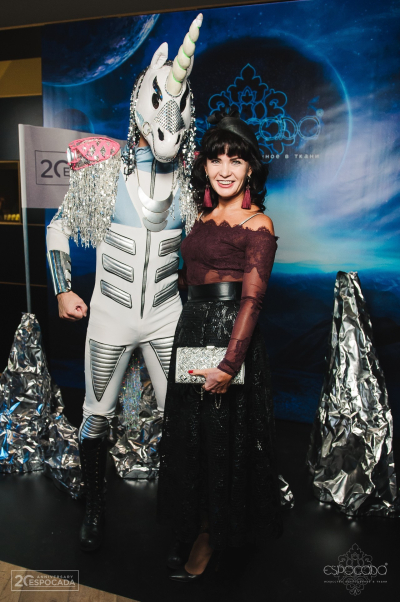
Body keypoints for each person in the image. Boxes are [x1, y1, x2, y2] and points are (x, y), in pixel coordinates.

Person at [46, 14, 203, 552]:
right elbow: (58, 227)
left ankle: (183, 520)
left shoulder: (192, 187)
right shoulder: (104, 176)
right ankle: (95, 508)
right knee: (96, 416)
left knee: (182, 420)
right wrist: (64, 288)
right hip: (110, 316)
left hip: (167, 317)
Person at [157, 108, 283, 582]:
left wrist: (230, 365)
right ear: (205, 165)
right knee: (192, 437)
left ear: (250, 169)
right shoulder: (201, 217)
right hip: (191, 332)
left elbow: (253, 300)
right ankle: (193, 523)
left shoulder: (259, 223)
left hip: (231, 338)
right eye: (216, 159)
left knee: (224, 438)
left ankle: (212, 534)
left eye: (236, 159)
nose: (225, 169)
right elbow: (188, 280)